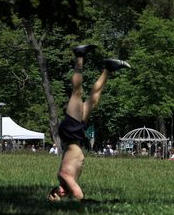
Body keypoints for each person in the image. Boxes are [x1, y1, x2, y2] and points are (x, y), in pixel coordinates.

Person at [48, 44, 131, 201]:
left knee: (77, 91)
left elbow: (79, 196)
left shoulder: (64, 176)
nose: (61, 193)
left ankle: (79, 55)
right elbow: (75, 195)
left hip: (70, 134)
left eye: (56, 193)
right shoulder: (65, 184)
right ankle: (108, 68)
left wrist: (72, 200)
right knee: (93, 100)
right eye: (60, 195)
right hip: (75, 136)